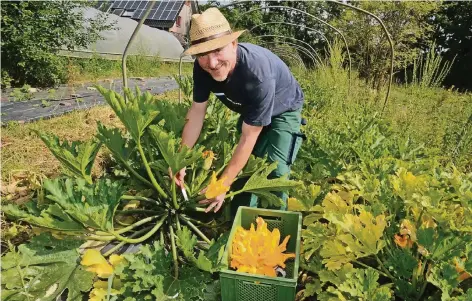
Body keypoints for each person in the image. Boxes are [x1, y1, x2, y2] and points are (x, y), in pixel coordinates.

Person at [173, 7, 304, 214]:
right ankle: (241, 221)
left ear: (234, 44)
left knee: (276, 170)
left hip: (283, 107)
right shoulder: (202, 68)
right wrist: (180, 159)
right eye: (203, 55)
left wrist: (223, 184)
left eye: (218, 50)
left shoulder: (256, 73)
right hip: (250, 109)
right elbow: (197, 111)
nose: (212, 63)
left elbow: (248, 136)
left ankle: (276, 225)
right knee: (244, 168)